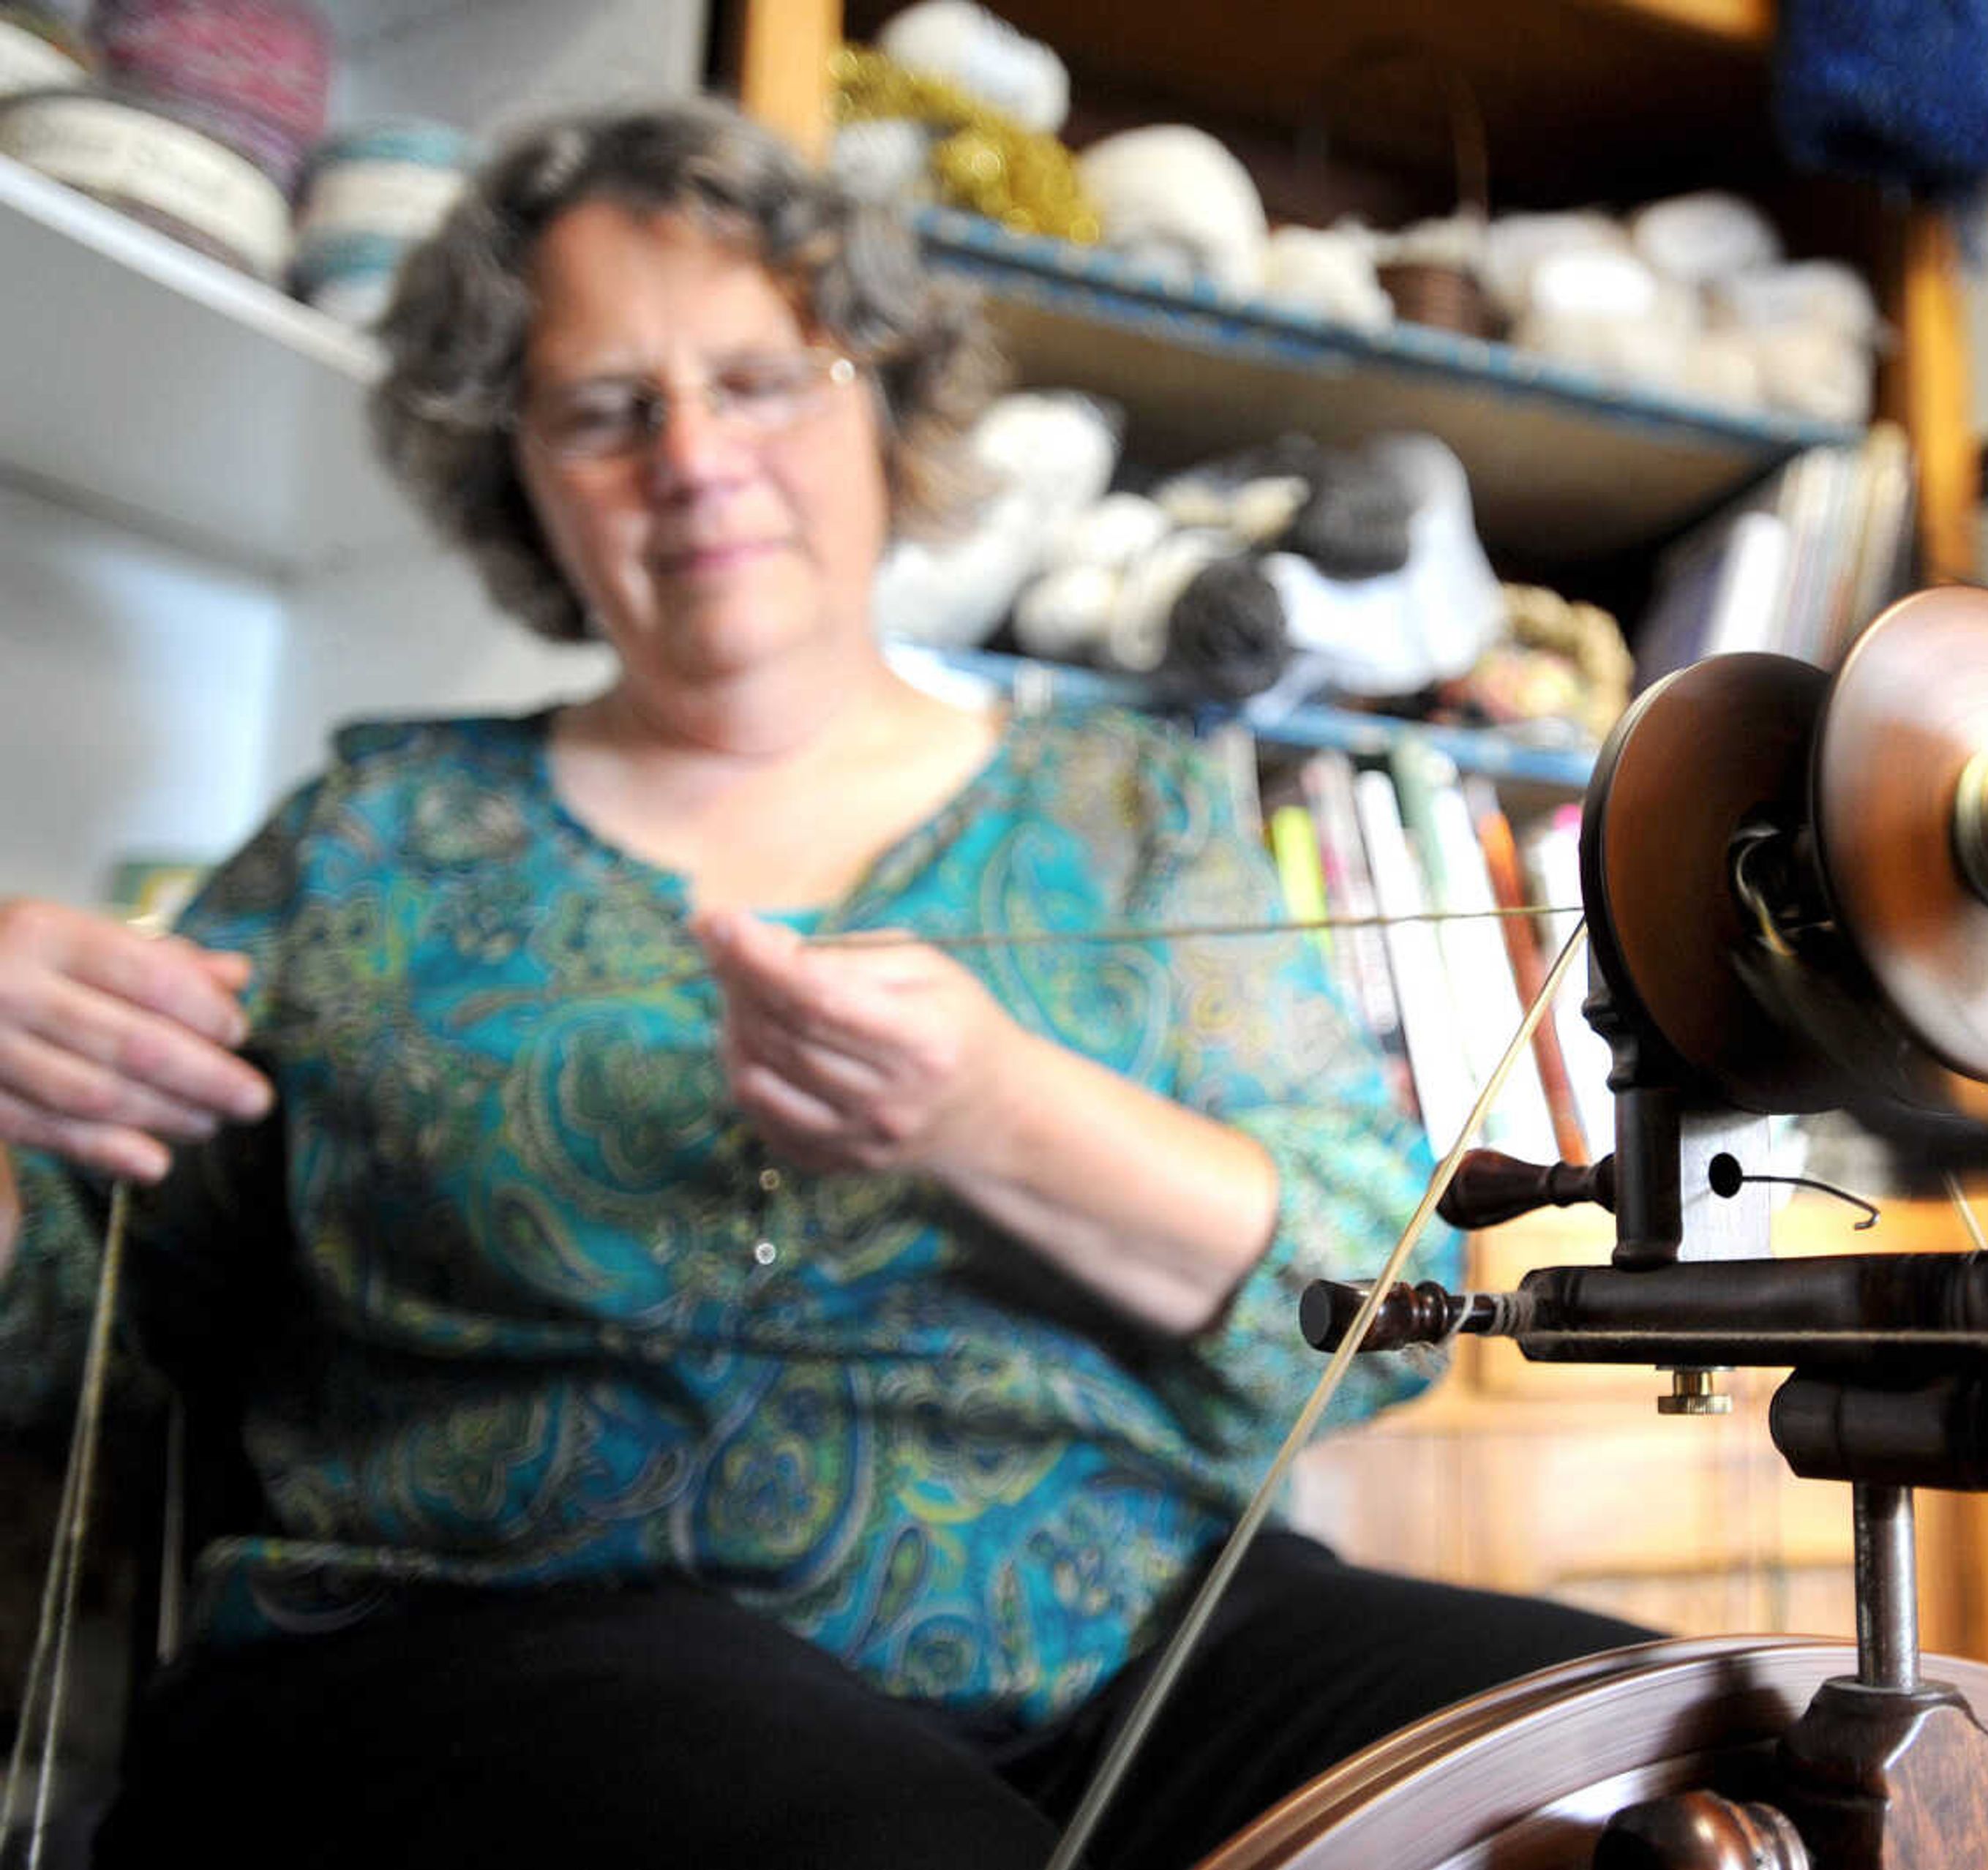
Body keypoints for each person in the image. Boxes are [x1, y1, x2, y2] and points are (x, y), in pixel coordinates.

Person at [0, 99, 1646, 1869]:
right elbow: (57, 1323)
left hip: (1144, 1659)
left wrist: (997, 1114)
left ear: (880, 395)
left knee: (1694, 1765)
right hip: (486, 1670)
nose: (695, 457)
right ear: (521, 472)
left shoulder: (1129, 812)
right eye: (608, 410)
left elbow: (1384, 1300)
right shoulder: (375, 832)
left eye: (763, 377)